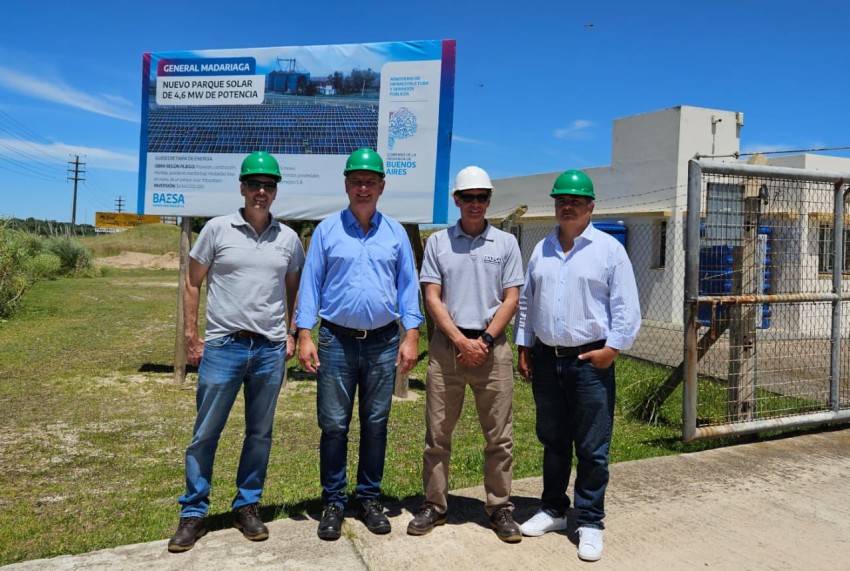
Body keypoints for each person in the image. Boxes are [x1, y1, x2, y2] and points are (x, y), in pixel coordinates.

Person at [167, 151, 305, 553]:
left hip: (269, 349)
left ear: (275, 191)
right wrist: (191, 336)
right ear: (242, 188)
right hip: (224, 346)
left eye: (269, 185)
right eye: (255, 184)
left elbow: (294, 288)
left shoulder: (288, 238)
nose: (262, 191)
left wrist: (291, 333)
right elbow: (192, 282)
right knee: (205, 433)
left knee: (259, 434)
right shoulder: (216, 229)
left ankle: (247, 506)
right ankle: (194, 512)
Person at [295, 148, 423, 541]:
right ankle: (333, 502)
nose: (363, 188)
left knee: (376, 423)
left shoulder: (395, 233)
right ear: (346, 185)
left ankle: (368, 498)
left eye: (370, 181)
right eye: (356, 181)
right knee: (334, 425)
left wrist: (412, 333)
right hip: (335, 340)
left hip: (383, 342)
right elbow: (310, 283)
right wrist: (304, 333)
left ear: (382, 186)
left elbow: (408, 286)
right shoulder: (327, 231)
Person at [513, 170, 641, 562]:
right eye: (561, 200)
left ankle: (589, 521)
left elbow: (626, 307)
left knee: (592, 447)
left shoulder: (608, 250)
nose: (567, 206)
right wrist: (524, 345)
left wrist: (612, 349)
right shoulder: (542, 249)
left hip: (590, 362)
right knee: (553, 441)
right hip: (547, 360)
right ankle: (554, 510)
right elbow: (527, 302)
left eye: (576, 201)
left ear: (590, 207)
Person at [409, 166, 525, 543]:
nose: (475, 203)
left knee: (499, 437)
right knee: (437, 436)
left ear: (489, 200)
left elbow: (511, 298)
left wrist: (485, 340)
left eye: (481, 197)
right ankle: (435, 505)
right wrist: (460, 341)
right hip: (448, 350)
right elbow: (432, 297)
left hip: (493, 349)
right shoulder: (438, 243)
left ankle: (500, 506)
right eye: (467, 197)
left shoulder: (505, 244)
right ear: (456, 200)